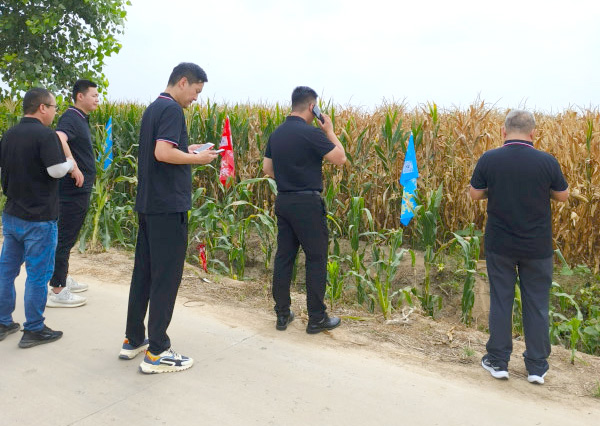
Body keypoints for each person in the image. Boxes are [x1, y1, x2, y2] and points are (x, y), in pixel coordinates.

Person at [120, 63, 218, 374]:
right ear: (183, 82)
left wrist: (186, 149)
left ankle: (134, 338)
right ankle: (158, 351)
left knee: (144, 274)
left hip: (149, 204)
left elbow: (163, 150)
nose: (196, 98)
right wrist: (197, 159)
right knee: (165, 277)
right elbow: (163, 153)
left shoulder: (154, 108)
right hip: (167, 207)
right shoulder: (173, 110)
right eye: (196, 91)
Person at [469, 109, 569, 385]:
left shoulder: (490, 158)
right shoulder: (547, 161)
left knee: (501, 300)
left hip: (500, 244)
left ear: (503, 131)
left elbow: (475, 193)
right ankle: (536, 367)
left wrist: (495, 189)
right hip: (537, 247)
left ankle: (498, 361)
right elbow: (562, 195)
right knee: (536, 304)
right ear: (533, 133)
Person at [263, 86, 346, 334]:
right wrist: (329, 131)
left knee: (284, 257)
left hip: (284, 201)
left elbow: (267, 169)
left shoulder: (276, 134)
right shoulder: (312, 133)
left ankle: (282, 314)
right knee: (316, 259)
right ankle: (317, 318)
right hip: (307, 204)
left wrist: (288, 178)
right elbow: (340, 159)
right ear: (312, 107)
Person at [0, 88, 76, 348]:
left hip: (12, 214)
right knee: (37, 275)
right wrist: (70, 162)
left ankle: (3, 321)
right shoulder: (46, 135)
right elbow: (55, 171)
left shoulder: (9, 134)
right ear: (42, 107)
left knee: (6, 271)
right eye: (53, 107)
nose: (55, 112)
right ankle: (33, 328)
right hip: (39, 219)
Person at [47, 79, 100, 308]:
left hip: (77, 190)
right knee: (65, 237)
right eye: (94, 95)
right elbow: (59, 138)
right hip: (72, 190)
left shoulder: (79, 118)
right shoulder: (71, 117)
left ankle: (60, 276)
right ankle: (58, 289)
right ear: (80, 96)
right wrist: (73, 165)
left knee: (67, 236)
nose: (97, 99)